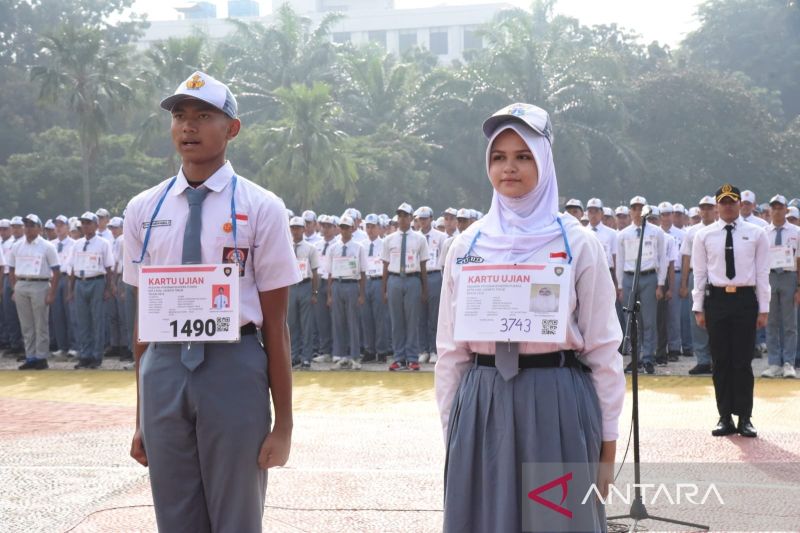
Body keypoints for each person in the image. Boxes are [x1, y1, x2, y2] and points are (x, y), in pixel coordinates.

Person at [124, 71, 300, 532]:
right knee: (175, 516)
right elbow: (143, 320)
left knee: (236, 515)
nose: (188, 127)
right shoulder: (145, 208)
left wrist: (283, 425)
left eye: (204, 116)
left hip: (234, 368)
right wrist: (141, 416)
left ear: (233, 129)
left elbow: (276, 325)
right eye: (180, 117)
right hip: (163, 368)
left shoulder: (262, 207)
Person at [436, 103, 624, 532]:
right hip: (482, 402)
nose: (510, 168)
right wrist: (454, 432)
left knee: (557, 520)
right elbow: (449, 351)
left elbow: (603, 349)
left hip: (556, 401)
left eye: (523, 156)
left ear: (544, 159)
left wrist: (607, 448)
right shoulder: (466, 245)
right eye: (499, 157)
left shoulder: (578, 242)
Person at [692, 184, 769, 438]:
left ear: (740, 204)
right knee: (721, 360)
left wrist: (764, 308)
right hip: (717, 300)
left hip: (745, 299)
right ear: (716, 206)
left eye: (732, 201)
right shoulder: (704, 236)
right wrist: (698, 306)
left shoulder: (757, 233)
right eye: (723, 202)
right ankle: (724, 416)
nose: (727, 206)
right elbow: (700, 274)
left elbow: (762, 273)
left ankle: (745, 417)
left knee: (743, 361)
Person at [616, 196, 668, 374]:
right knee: (630, 320)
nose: (637, 212)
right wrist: (620, 286)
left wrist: (660, 284)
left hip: (649, 277)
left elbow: (663, 259)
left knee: (649, 320)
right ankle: (635, 358)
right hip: (630, 278)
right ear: (630, 211)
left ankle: (648, 358)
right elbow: (620, 261)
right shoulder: (623, 234)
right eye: (634, 208)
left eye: (640, 208)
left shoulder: (656, 232)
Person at [9, 214, 60, 370]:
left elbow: (56, 270)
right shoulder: (17, 245)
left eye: (32, 225)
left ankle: (41, 357)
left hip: (40, 284)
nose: (28, 228)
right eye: (26, 225)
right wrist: (14, 288)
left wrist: (52, 293)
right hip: (22, 283)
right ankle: (30, 356)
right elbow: (11, 269)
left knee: (40, 323)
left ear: (39, 228)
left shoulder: (47, 246)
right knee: (26, 325)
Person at [382, 202, 428, 371]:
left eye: (405, 216)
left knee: (412, 320)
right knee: (397, 321)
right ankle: (399, 357)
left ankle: (412, 358)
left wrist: (424, 289)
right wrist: (384, 288)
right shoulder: (389, 239)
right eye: (399, 216)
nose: (401, 219)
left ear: (411, 218)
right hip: (394, 279)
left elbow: (423, 265)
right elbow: (385, 265)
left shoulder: (420, 239)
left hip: (413, 279)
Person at [67, 212, 115, 369]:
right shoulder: (77, 244)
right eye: (83, 223)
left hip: (97, 281)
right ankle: (85, 355)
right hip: (81, 282)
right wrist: (71, 289)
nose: (85, 226)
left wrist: (109, 287)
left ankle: (96, 355)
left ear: (95, 225)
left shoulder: (103, 243)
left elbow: (109, 267)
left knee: (97, 320)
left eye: (88, 223)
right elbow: (73, 267)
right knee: (82, 321)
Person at [761, 195, 799, 378]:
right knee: (771, 322)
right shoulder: (763, 232)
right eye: (774, 207)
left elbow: (799, 260)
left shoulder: (796, 232)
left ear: (786, 209)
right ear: (770, 210)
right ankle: (774, 362)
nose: (777, 210)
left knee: (790, 323)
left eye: (780, 207)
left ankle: (789, 362)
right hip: (769, 277)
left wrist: (799, 286)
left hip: (788, 276)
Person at [680, 195, 717, 374]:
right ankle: (703, 359)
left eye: (709, 207)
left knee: (717, 318)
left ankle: (717, 359)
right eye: (703, 208)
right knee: (698, 319)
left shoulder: (722, 229)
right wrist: (684, 283)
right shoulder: (691, 231)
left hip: (717, 278)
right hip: (697, 276)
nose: (705, 211)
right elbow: (686, 258)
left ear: (715, 209)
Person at [327, 215, 366, 370]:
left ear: (352, 228)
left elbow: (363, 272)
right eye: (341, 227)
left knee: (353, 322)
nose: (343, 230)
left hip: (351, 284)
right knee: (338, 322)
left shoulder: (359, 247)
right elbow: (329, 273)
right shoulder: (333, 248)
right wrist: (329, 294)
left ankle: (355, 356)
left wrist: (362, 294)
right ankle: (340, 356)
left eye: (346, 227)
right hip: (337, 284)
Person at [415, 206, 446, 364]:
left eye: (425, 218)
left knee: (434, 316)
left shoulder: (440, 236)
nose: (423, 222)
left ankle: (434, 350)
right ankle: (423, 349)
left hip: (434, 275)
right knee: (421, 315)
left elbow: (443, 258)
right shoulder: (415, 237)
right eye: (420, 219)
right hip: (418, 277)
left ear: (431, 219)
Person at [288, 216, 319, 369]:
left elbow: (315, 271)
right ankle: (294, 356)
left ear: (304, 229)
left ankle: (306, 357)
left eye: (298, 228)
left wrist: (314, 292)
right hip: (290, 288)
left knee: (306, 324)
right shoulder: (285, 247)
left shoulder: (310, 248)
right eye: (293, 228)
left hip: (305, 285)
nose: (295, 231)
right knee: (292, 325)